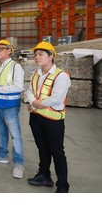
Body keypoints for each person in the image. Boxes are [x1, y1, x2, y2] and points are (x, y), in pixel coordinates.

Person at [26, 41, 71, 193]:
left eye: (40, 54)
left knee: (57, 152)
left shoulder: (61, 76)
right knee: (42, 148)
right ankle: (44, 175)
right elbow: (29, 92)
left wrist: (37, 103)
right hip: (37, 118)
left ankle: (63, 186)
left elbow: (57, 98)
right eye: (36, 55)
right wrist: (33, 101)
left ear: (51, 56)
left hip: (53, 120)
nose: (37, 57)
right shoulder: (36, 75)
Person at [0, 39, 25, 179]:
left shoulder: (15, 67)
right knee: (1, 132)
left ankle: (19, 164)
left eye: (1, 49)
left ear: (9, 51)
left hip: (10, 106)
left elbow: (19, 87)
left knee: (15, 135)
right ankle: (2, 155)